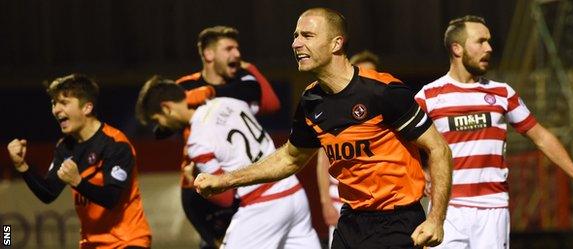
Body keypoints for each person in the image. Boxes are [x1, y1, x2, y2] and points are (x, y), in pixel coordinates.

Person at [194, 8, 453, 249]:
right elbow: (289, 158)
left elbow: (438, 149)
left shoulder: (383, 91)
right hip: (350, 223)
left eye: (307, 35)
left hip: (398, 223)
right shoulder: (310, 102)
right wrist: (225, 180)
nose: (296, 44)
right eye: (295, 36)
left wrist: (435, 219)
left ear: (336, 44)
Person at [415, 15, 573, 249]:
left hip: (492, 209)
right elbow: (406, 146)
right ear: (457, 48)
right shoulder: (428, 96)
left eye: (489, 41)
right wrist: (421, 172)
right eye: (481, 41)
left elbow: (541, 137)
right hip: (447, 209)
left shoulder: (502, 93)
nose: (489, 48)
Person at [135, 76, 321, 249]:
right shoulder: (230, 101)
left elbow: (226, 198)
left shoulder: (197, 141)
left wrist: (195, 179)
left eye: (158, 119)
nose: (163, 126)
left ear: (167, 108)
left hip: (262, 205)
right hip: (294, 192)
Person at [6, 74, 152, 249]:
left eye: (64, 103)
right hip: (91, 243)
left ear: (87, 108)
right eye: (54, 103)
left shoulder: (115, 144)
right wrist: (22, 166)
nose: (56, 110)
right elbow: (48, 193)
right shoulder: (65, 147)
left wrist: (78, 182)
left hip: (128, 241)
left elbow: (111, 198)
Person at [169, 26, 282, 249]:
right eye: (229, 48)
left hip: (241, 180)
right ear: (209, 54)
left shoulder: (245, 83)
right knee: (213, 244)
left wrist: (249, 69)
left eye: (238, 48)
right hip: (201, 182)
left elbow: (272, 105)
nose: (237, 54)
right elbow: (162, 128)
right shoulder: (183, 87)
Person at [316, 49, 380, 246]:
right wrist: (326, 202)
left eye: (373, 74)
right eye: (363, 73)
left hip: (378, 205)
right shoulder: (337, 111)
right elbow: (323, 160)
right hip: (342, 202)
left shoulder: (384, 111)